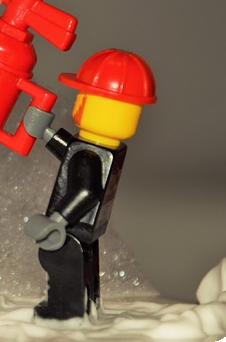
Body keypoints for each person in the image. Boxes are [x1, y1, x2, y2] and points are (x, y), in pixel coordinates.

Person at [23, 48, 157, 321]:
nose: (78, 102)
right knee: (87, 267)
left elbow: (87, 191)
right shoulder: (106, 151)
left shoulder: (89, 156)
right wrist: (46, 133)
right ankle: (90, 304)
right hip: (89, 227)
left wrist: (58, 221)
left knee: (59, 262)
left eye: (84, 96)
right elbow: (69, 152)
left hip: (71, 227)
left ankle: (65, 312)